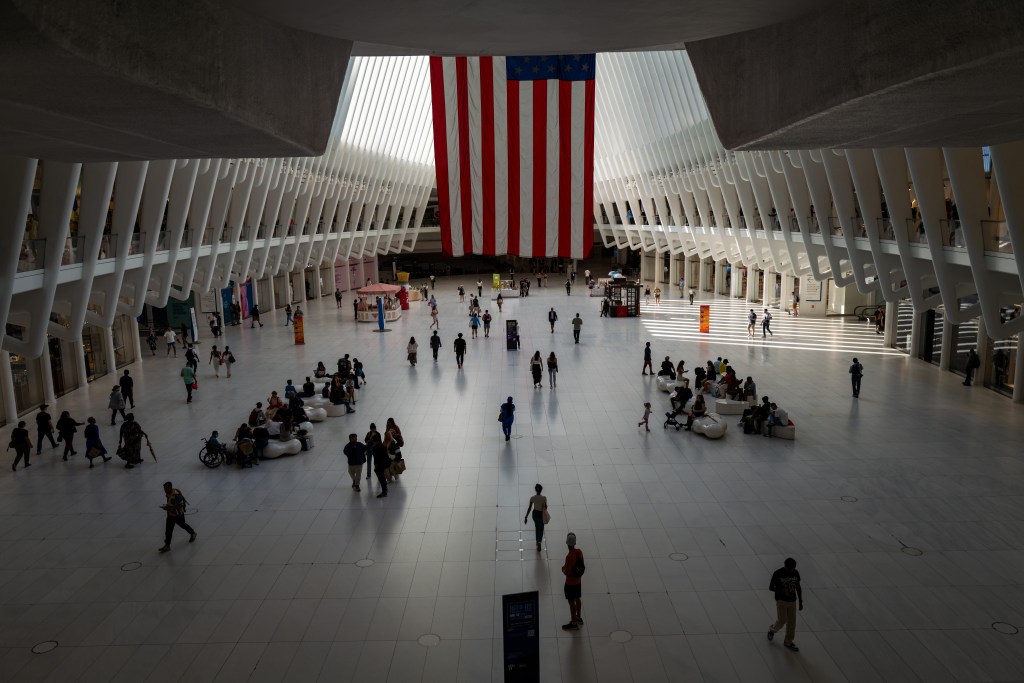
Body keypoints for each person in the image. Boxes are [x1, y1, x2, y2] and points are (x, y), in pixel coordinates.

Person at [767, 557, 803, 652]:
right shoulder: (778, 573)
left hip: (792, 601)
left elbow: (798, 587)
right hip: (781, 601)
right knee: (782, 620)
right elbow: (771, 587)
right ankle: (772, 630)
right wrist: (781, 591)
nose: (791, 571)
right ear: (785, 566)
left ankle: (788, 641)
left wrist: (800, 601)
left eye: (793, 569)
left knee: (792, 623)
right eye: (789, 569)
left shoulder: (796, 573)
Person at [158, 482, 196, 553]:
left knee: (183, 525)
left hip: (178, 514)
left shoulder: (176, 494)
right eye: (164, 488)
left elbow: (180, 505)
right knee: (168, 530)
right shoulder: (168, 493)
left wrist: (168, 507)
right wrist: (168, 507)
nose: (164, 490)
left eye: (166, 488)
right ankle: (167, 545)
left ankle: (193, 533)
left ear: (170, 487)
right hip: (170, 514)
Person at [561, 532, 585, 630]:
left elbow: (567, 572)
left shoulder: (569, 557)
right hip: (578, 581)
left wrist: (562, 569)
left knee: (571, 602)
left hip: (570, 584)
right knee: (577, 598)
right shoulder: (579, 551)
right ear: (574, 543)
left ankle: (574, 622)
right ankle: (578, 617)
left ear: (567, 543)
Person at [524, 484, 548, 551]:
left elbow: (529, 508)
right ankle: (539, 541)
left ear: (535, 490)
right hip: (541, 514)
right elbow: (545, 507)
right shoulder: (544, 498)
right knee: (541, 528)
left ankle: (537, 541)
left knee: (537, 527)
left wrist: (526, 517)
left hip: (535, 514)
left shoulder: (532, 498)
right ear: (541, 490)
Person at [371, 433, 391, 498]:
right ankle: (385, 490)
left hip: (380, 465)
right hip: (384, 463)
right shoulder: (382, 445)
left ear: (373, 440)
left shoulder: (375, 448)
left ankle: (384, 491)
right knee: (382, 477)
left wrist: (375, 466)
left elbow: (376, 458)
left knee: (381, 478)